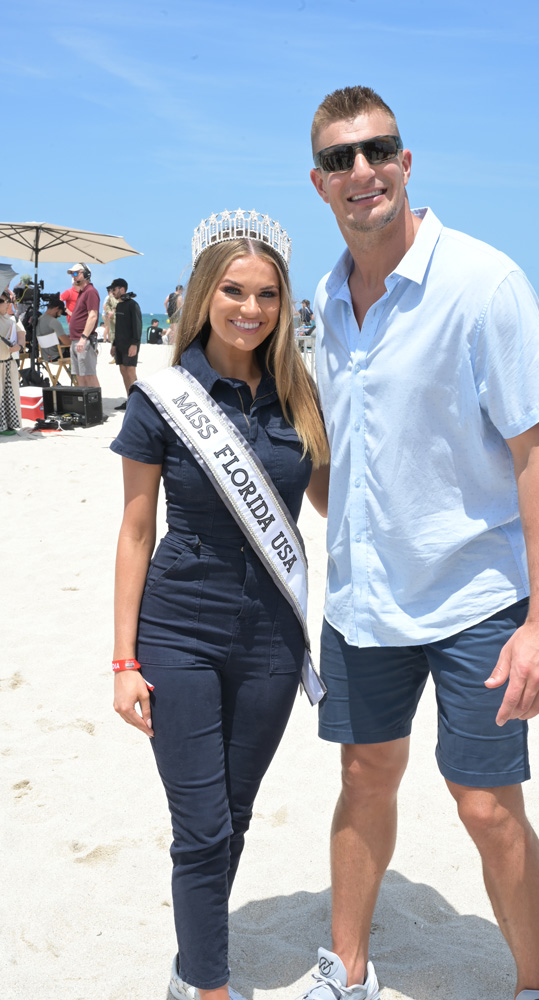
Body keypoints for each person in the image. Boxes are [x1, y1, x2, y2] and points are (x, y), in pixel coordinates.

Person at [300, 85, 539, 1000]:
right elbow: (328, 448)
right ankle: (347, 971)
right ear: (319, 183)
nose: (361, 171)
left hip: (472, 597)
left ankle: (532, 985)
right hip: (365, 598)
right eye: (340, 159)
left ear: (406, 163)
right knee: (364, 776)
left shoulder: (482, 282)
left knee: (487, 807)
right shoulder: (323, 302)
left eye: (377, 150)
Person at [111, 209, 330, 1000]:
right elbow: (135, 533)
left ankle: (188, 966)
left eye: (267, 294)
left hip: (272, 635)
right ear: (206, 293)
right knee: (200, 827)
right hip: (179, 630)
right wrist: (123, 660)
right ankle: (208, 986)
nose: (250, 308)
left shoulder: (299, 393)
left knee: (231, 819)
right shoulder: (162, 398)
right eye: (234, 291)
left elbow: (341, 502)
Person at [108, 279, 142, 410]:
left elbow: (137, 326)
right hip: (120, 344)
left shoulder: (133, 305)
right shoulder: (119, 305)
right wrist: (114, 344)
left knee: (130, 371)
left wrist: (134, 344)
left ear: (122, 289)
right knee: (123, 370)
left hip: (130, 344)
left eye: (114, 289)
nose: (112, 292)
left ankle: (137, 402)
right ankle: (129, 399)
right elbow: (118, 327)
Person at [67, 264, 100, 388]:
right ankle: (85, 405)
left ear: (86, 274)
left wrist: (83, 337)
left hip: (83, 340)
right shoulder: (83, 293)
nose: (73, 277)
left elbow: (93, 316)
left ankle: (95, 406)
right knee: (79, 375)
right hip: (76, 340)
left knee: (89, 375)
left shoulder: (91, 292)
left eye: (76, 273)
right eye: (72, 274)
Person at [0, 290, 22, 434]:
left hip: (8, 362)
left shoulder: (12, 320)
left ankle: (7, 425)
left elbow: (21, 335)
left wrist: (18, 346)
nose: (5, 304)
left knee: (10, 396)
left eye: (5, 301)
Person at [36, 295, 71, 361]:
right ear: (56, 308)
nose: (60, 316)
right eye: (60, 312)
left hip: (46, 356)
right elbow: (67, 343)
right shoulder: (54, 322)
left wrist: (64, 337)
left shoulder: (39, 319)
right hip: (59, 355)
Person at [102, 283, 120, 348]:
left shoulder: (110, 297)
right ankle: (105, 339)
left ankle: (109, 339)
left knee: (109, 327)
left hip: (107, 314)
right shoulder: (108, 297)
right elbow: (104, 306)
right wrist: (108, 313)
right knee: (107, 327)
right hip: (106, 315)